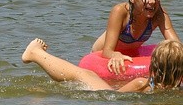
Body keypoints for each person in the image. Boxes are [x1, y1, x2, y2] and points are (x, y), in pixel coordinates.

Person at [91, 0, 180, 75]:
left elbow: (176, 46)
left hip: (132, 55)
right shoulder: (120, 12)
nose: (152, 1)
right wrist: (115, 55)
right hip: (101, 58)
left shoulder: (159, 14)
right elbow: (107, 51)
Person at [22, 38, 183, 92]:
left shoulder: (143, 83)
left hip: (106, 97)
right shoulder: (178, 89)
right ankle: (36, 54)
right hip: (111, 96)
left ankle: (35, 53)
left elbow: (114, 97)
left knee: (85, 74)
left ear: (153, 65)